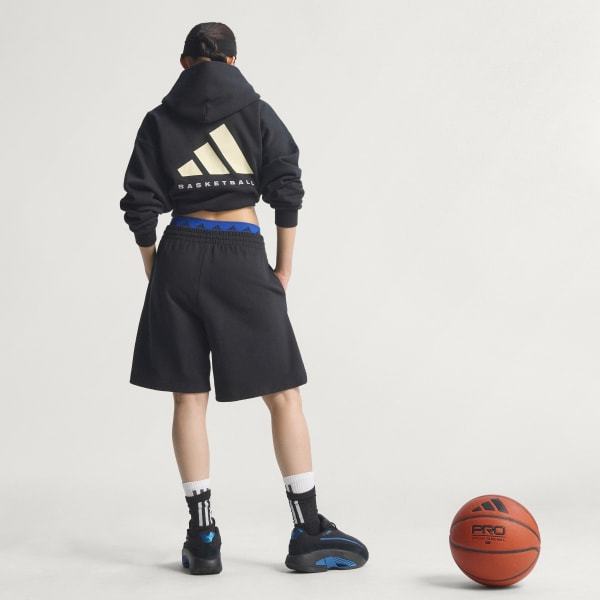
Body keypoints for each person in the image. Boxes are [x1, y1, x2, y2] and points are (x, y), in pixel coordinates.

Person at [119, 22, 368, 575]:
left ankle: (203, 535)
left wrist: (155, 267)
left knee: (188, 399)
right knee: (283, 396)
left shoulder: (159, 120)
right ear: (233, 61)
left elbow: (139, 201)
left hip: (179, 251)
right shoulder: (256, 112)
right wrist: (283, 266)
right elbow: (286, 185)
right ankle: (308, 529)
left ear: (184, 63)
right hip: (241, 251)